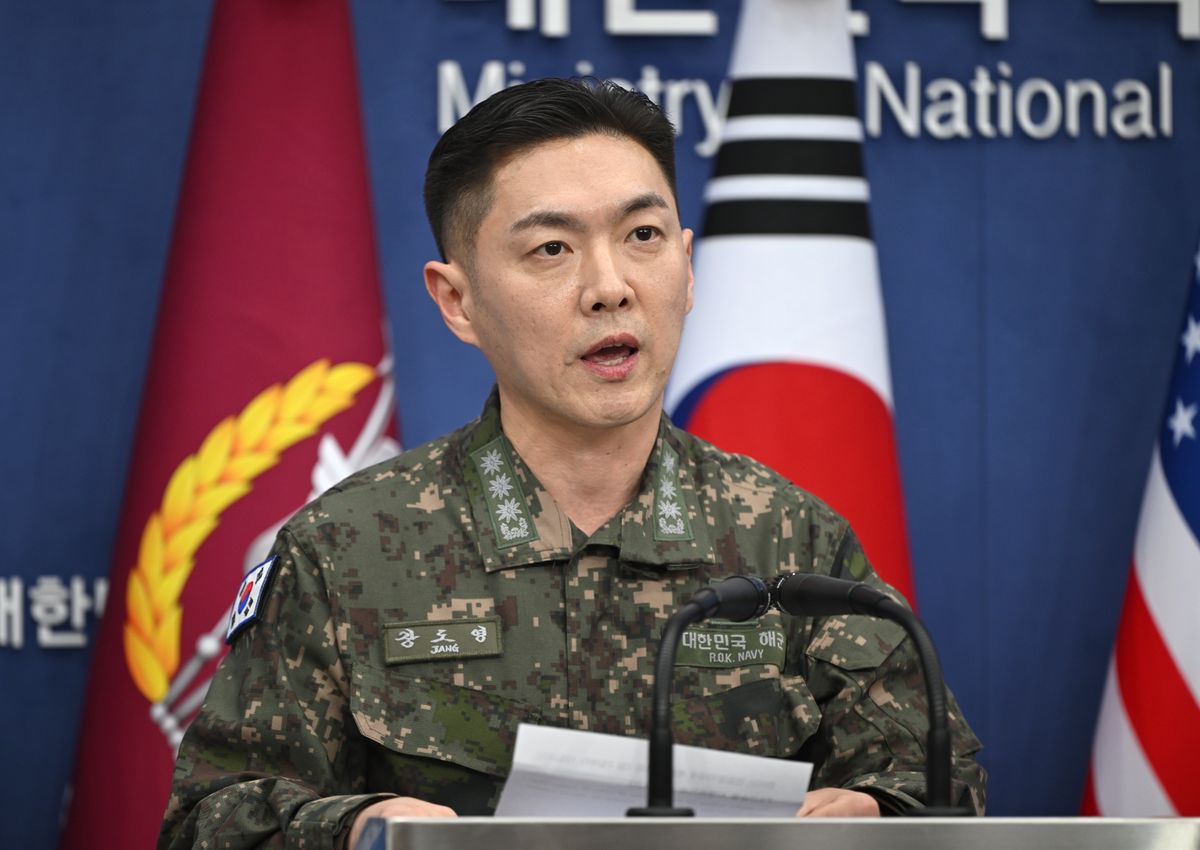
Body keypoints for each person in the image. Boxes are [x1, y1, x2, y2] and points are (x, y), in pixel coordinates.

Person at [159, 77, 985, 850]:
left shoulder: (791, 540)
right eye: (552, 248)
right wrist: (358, 828)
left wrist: (881, 813)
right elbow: (208, 815)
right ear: (457, 300)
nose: (609, 286)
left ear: (688, 266)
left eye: (643, 237)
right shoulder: (345, 550)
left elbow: (939, 782)